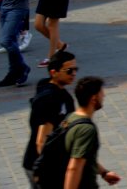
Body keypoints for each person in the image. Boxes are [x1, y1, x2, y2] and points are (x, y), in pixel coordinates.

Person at [23, 48, 77, 185]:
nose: (74, 74)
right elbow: (41, 140)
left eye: (76, 69)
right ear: (54, 72)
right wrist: (47, 170)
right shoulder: (51, 99)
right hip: (46, 166)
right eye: (69, 71)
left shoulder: (48, 86)